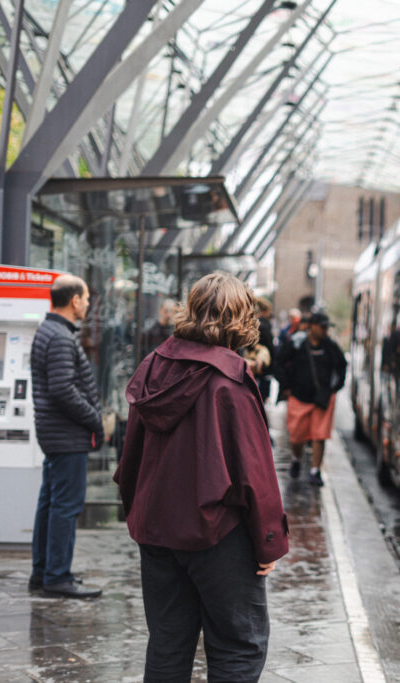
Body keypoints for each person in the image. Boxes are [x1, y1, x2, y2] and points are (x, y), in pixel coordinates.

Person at [115, 272, 289, 682]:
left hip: (157, 529)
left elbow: (131, 456)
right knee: (237, 646)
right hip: (218, 533)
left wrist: (138, 514)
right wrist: (268, 543)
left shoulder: (153, 366)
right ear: (240, 320)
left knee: (167, 642)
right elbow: (255, 474)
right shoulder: (230, 382)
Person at [29, 274, 104, 599]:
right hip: (67, 434)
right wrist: (95, 420)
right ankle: (57, 576)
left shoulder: (51, 331)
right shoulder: (60, 336)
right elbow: (62, 390)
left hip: (57, 434)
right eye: (86, 298)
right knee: (65, 506)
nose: (88, 304)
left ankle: (44, 572)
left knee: (51, 503)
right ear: (74, 300)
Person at [274, 310, 346, 486]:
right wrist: (286, 386)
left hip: (322, 399)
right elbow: (278, 363)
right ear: (312, 326)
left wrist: (335, 388)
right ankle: (296, 459)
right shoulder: (297, 344)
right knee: (296, 436)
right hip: (299, 396)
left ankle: (315, 471)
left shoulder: (330, 346)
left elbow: (342, 365)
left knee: (319, 435)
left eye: (326, 327)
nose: (324, 330)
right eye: (322, 327)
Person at [255, 297, 276, 402]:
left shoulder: (254, 322)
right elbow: (269, 344)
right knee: (263, 390)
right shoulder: (265, 324)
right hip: (264, 360)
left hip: (253, 358)